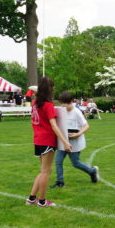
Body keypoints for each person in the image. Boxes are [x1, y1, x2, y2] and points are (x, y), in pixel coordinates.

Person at [26, 77, 71, 208]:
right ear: (49, 89)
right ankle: (42, 201)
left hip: (38, 139)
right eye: (53, 86)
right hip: (47, 140)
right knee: (46, 172)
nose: (54, 88)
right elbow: (54, 125)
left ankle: (31, 198)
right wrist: (65, 142)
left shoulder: (35, 103)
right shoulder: (48, 105)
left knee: (43, 171)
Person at [51, 91, 98, 189]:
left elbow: (86, 126)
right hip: (63, 141)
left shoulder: (76, 112)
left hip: (74, 142)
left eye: (65, 104)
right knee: (58, 161)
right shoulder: (60, 111)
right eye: (61, 104)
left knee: (75, 163)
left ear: (71, 102)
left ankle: (92, 171)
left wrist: (78, 134)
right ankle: (60, 182)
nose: (63, 106)